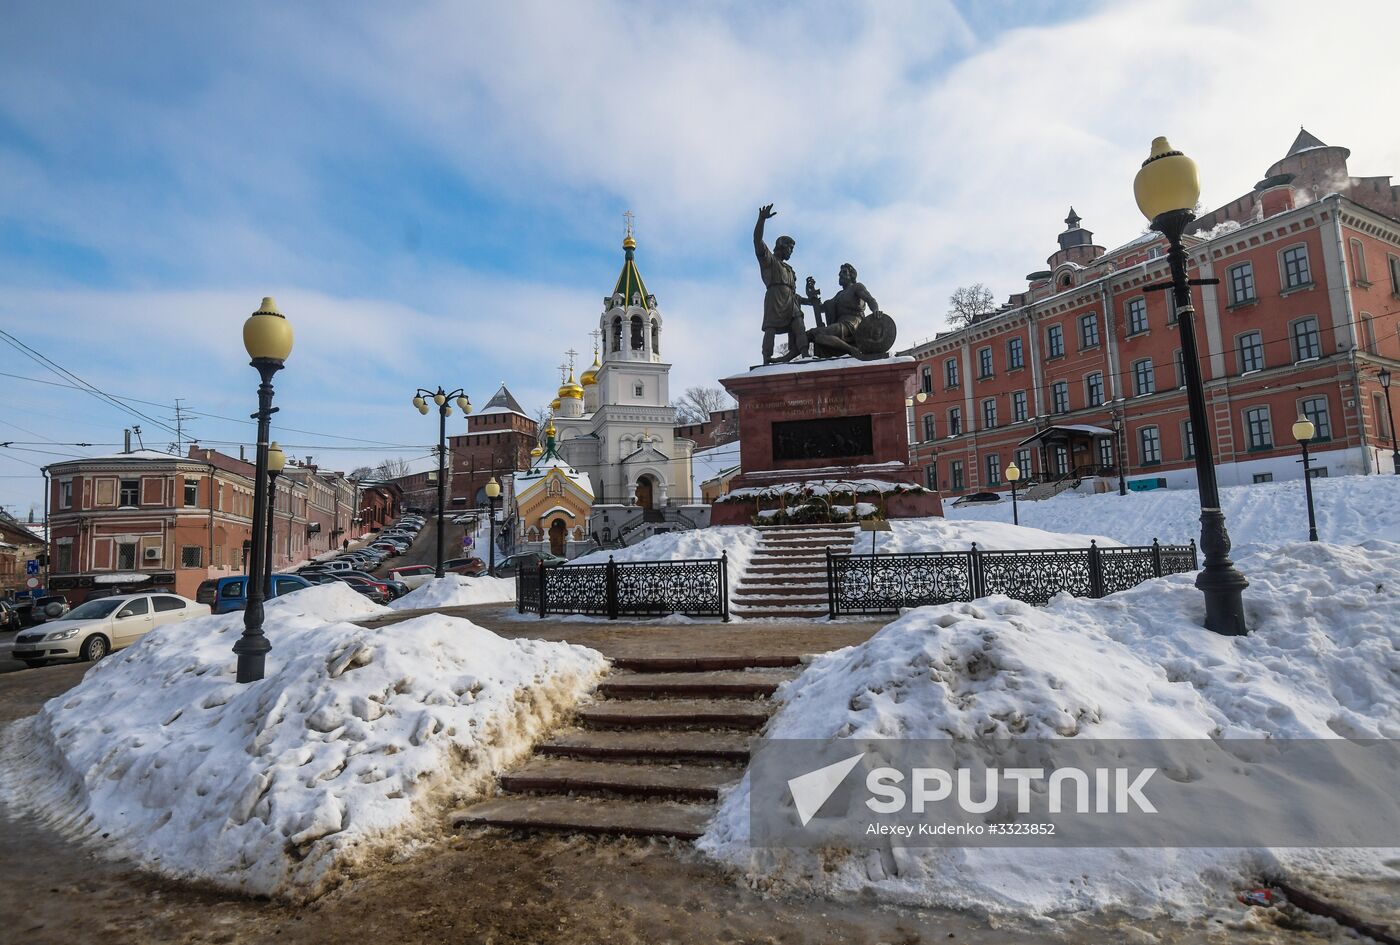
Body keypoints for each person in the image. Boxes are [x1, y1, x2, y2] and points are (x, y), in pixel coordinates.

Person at [754, 204, 808, 364]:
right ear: (782, 247)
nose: (791, 252)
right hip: (774, 298)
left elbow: (794, 294)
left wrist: (809, 301)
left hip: (791, 302)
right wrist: (761, 219)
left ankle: (806, 354)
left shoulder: (790, 270)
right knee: (770, 327)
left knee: (799, 323)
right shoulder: (769, 260)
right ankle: (767, 359)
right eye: (790, 248)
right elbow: (757, 240)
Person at [805, 263, 879, 358]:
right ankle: (801, 357)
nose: (840, 274)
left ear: (851, 275)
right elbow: (821, 308)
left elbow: (870, 300)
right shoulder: (839, 295)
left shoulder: (857, 287)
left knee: (818, 333)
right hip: (841, 324)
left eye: (844, 272)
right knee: (811, 335)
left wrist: (876, 311)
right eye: (840, 273)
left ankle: (851, 350)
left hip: (853, 323)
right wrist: (812, 295)